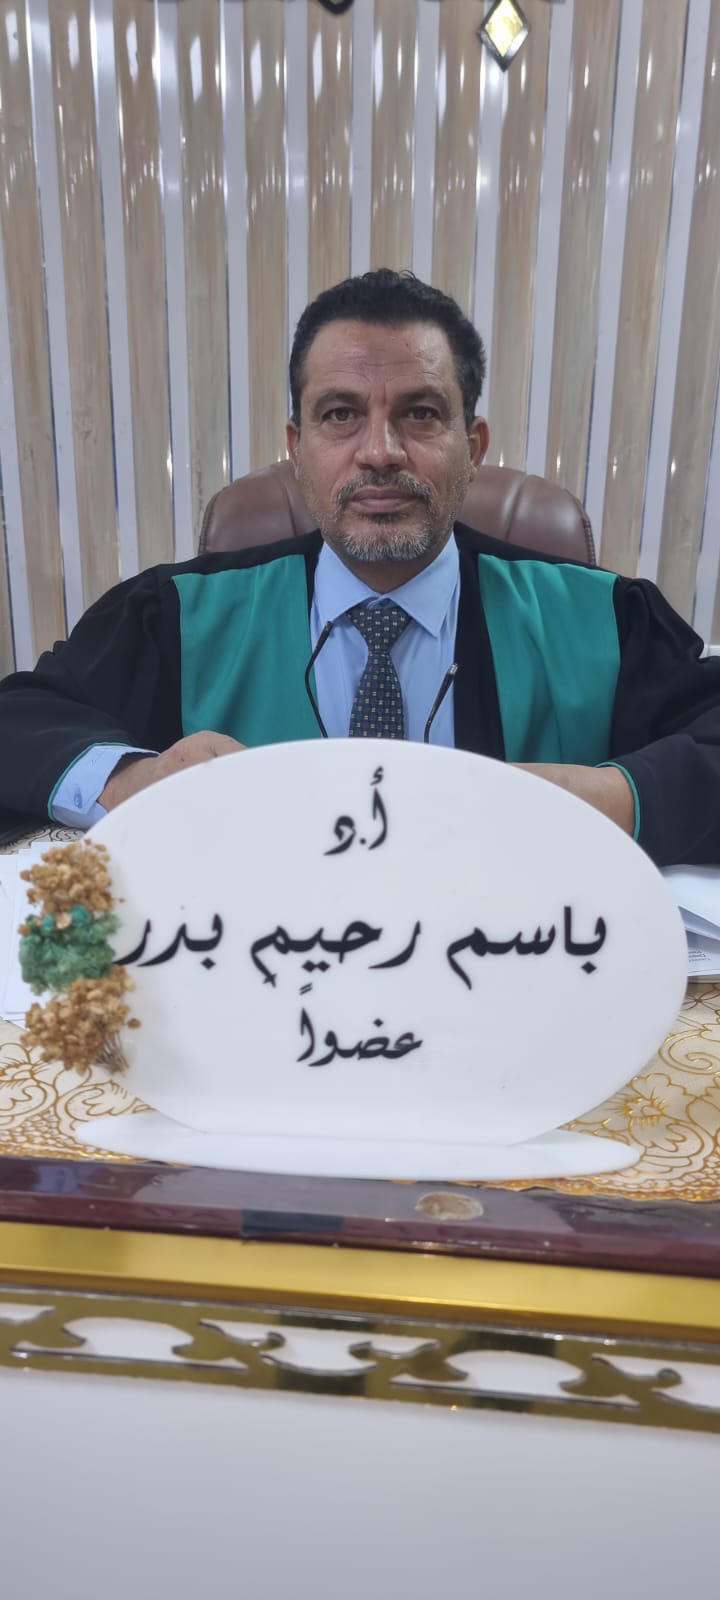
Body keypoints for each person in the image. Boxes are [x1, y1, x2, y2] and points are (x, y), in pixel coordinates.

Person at [0, 268, 718, 866]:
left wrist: (598, 800)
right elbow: (19, 721)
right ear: (297, 448)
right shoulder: (179, 614)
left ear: (473, 447)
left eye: (420, 413)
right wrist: (135, 779)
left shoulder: (604, 618)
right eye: (340, 414)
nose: (379, 451)